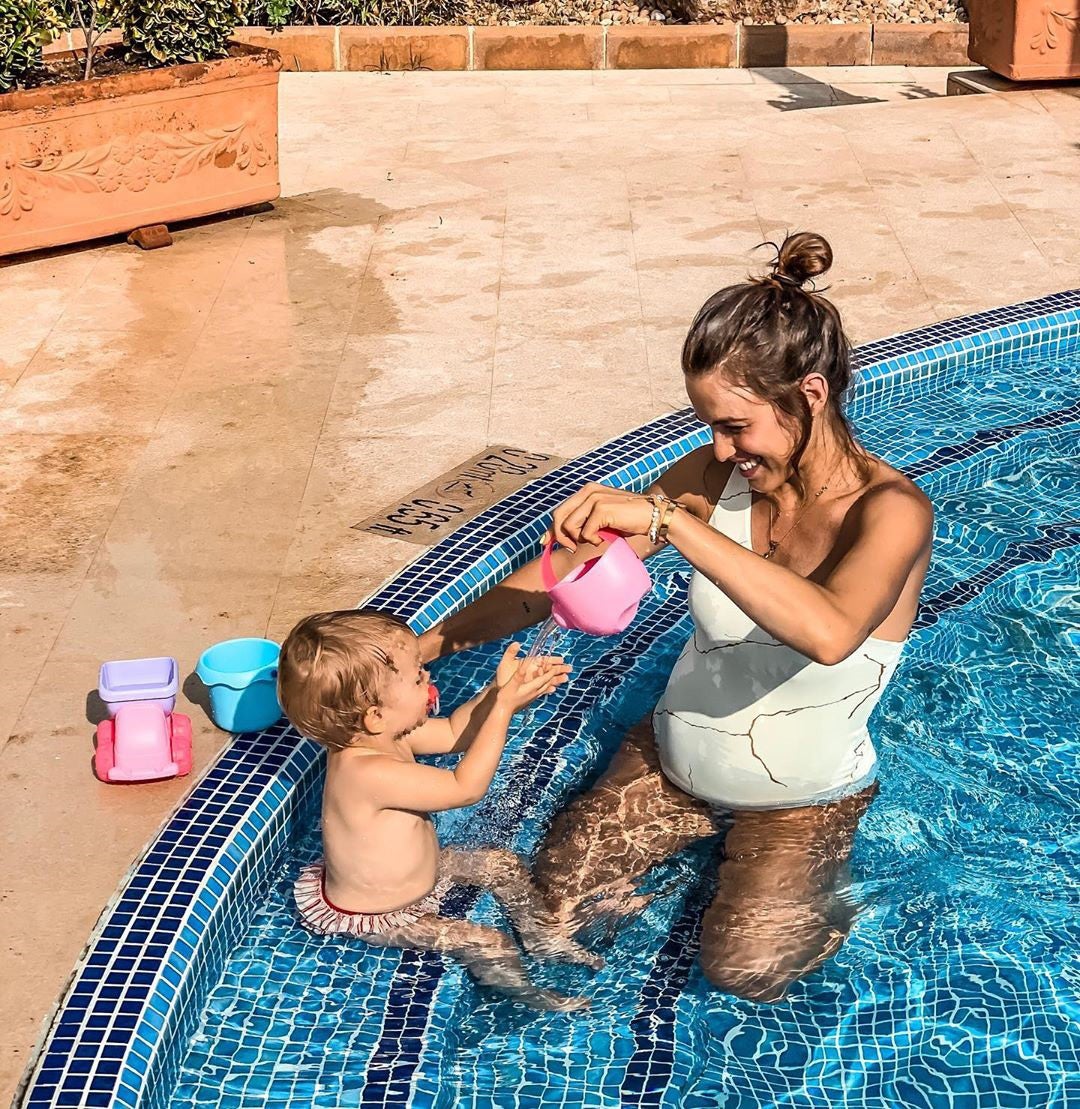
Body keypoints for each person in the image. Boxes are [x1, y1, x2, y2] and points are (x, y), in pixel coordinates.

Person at [420, 231, 934, 1002]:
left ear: (813, 395)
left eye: (737, 425)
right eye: (708, 426)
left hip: (803, 800)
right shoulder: (712, 476)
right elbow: (559, 576)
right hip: (668, 766)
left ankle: (820, 893)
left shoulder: (891, 512)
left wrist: (669, 522)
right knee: (548, 915)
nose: (721, 450)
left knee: (745, 970)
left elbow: (829, 631)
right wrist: (428, 640)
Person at [277, 609, 601, 1011]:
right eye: (417, 677)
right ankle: (530, 998)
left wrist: (499, 694)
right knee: (487, 943)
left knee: (500, 864)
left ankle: (542, 937)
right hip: (381, 912)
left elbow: (453, 733)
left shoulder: (386, 737)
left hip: (418, 875)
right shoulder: (365, 771)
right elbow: (464, 789)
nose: (428, 678)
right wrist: (502, 713)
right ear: (375, 716)